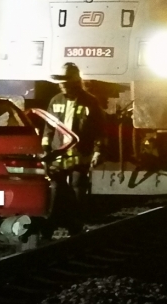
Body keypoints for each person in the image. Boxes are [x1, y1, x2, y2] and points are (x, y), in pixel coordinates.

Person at [42, 62, 106, 234]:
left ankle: (77, 222)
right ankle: (53, 220)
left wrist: (97, 150)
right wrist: (46, 150)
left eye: (65, 81)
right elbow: (48, 129)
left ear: (75, 81)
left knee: (78, 185)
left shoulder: (90, 102)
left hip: (80, 153)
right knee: (56, 186)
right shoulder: (55, 100)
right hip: (58, 153)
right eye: (60, 81)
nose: (62, 84)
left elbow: (99, 129)